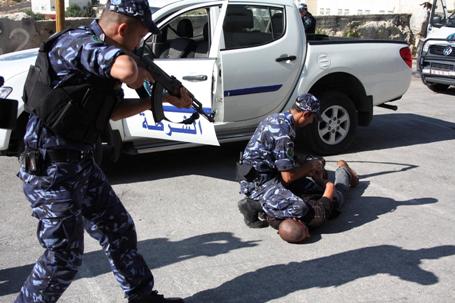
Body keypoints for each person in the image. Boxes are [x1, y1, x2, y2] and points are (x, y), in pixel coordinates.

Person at [15, 0, 192, 302]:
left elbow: (111, 112)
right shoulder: (79, 43)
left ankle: (142, 296)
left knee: (119, 229)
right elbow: (126, 70)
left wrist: (156, 101)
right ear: (122, 29)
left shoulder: (101, 52)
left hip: (80, 164)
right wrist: (147, 72)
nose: (140, 43)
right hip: (51, 168)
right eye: (139, 37)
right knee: (62, 258)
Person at [237, 93, 325, 230]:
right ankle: (252, 205)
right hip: (258, 183)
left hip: (267, 173)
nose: (311, 122)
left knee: (313, 189)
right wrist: (309, 166)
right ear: (306, 114)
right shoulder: (283, 135)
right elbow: (288, 177)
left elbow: (283, 158)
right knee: (300, 208)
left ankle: (270, 201)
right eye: (313, 118)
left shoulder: (278, 118)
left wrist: (306, 163)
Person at [276, 160, 359, 243]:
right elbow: (330, 187)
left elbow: (330, 186)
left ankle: (338, 169)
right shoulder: (275, 217)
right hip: (309, 190)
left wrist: (315, 177)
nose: (309, 235)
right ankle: (337, 169)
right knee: (337, 190)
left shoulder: (317, 216)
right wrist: (316, 177)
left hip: (309, 190)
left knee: (339, 189)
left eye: (306, 233)